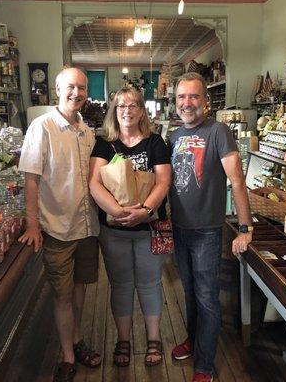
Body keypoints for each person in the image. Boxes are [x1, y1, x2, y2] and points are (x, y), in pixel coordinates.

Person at [168, 72, 254, 382]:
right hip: (179, 227)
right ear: (175, 102)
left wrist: (245, 227)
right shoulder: (174, 137)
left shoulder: (219, 132)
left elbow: (237, 180)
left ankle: (204, 364)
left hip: (206, 229)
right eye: (182, 97)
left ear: (205, 100)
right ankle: (194, 341)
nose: (187, 103)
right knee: (189, 293)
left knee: (206, 297)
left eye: (193, 96)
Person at [18, 67, 101, 382]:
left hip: (87, 227)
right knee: (62, 294)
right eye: (70, 87)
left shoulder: (87, 131)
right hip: (58, 229)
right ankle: (67, 355)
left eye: (81, 87)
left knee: (79, 288)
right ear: (57, 88)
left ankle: (77, 340)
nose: (76, 93)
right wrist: (32, 225)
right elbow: (31, 180)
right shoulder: (42, 127)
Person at [89, 86, 171, 368]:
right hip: (114, 231)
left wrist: (145, 211)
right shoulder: (104, 145)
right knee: (121, 285)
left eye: (133, 105)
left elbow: (163, 182)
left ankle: (153, 339)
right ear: (114, 111)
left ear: (141, 110)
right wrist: (119, 212)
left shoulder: (156, 143)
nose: (127, 110)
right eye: (121, 105)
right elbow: (94, 183)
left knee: (150, 284)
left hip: (149, 229)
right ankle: (123, 339)